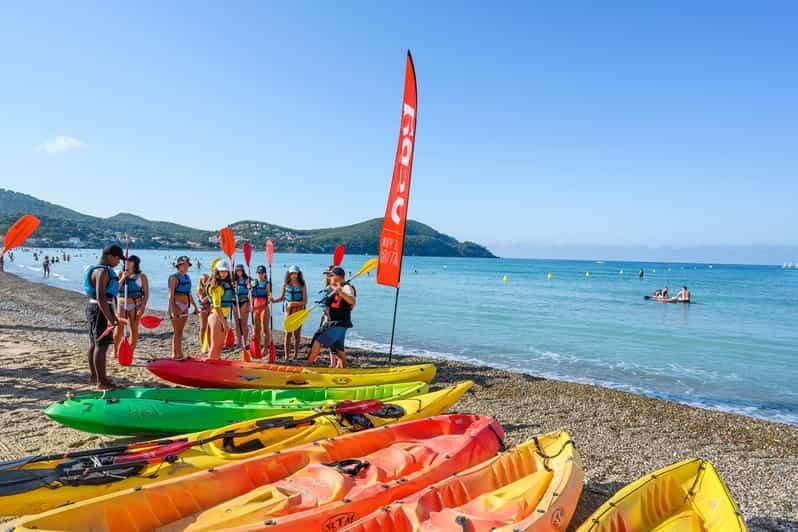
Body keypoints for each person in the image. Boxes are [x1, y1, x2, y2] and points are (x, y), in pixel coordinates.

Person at [84, 244, 124, 389]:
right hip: (99, 309)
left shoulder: (97, 269)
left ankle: (95, 378)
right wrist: (111, 318)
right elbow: (102, 297)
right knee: (101, 345)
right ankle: (102, 381)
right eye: (118, 258)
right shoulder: (102, 271)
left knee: (95, 343)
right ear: (110, 256)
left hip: (95, 308)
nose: (118, 262)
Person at [308, 267, 355, 368]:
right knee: (338, 349)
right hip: (335, 323)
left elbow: (352, 301)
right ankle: (345, 370)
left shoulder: (347, 287)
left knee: (318, 340)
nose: (329, 277)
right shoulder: (331, 288)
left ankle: (309, 364)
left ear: (338, 277)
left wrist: (341, 292)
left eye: (331, 275)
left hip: (338, 323)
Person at [114, 255, 148, 355]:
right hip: (122, 304)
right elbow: (115, 289)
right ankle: (115, 350)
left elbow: (146, 294)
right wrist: (124, 277)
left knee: (134, 328)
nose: (126, 263)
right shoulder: (120, 274)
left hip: (136, 304)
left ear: (135, 263)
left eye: (129, 261)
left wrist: (142, 308)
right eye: (125, 262)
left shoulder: (142, 277)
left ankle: (130, 352)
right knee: (119, 328)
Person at [272, 265, 307, 360]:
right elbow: (282, 298)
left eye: (295, 273)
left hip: (299, 310)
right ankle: (287, 355)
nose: (293, 275)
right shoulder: (285, 284)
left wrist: (293, 303)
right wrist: (273, 300)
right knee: (287, 333)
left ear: (298, 274)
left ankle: (295, 354)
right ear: (289, 274)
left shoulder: (302, 285)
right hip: (288, 311)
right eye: (292, 273)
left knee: (297, 333)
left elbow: (304, 301)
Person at [167, 256, 199, 360]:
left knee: (180, 331)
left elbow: (189, 293)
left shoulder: (187, 277)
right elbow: (170, 295)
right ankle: (175, 354)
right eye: (183, 265)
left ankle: (178, 353)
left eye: (187, 265)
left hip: (185, 306)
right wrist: (173, 308)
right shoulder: (174, 278)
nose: (185, 267)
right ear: (178, 265)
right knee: (177, 331)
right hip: (176, 305)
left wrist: (195, 306)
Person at [207, 261, 234, 359]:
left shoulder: (225, 284)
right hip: (217, 317)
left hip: (221, 318)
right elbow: (217, 306)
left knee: (219, 346)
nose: (224, 274)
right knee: (215, 346)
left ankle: (216, 365)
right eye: (221, 271)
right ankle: (209, 368)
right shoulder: (216, 286)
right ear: (217, 272)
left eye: (226, 272)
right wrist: (224, 323)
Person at [251, 265, 271, 351]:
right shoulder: (253, 283)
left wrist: (258, 307)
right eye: (259, 273)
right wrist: (251, 305)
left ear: (265, 273)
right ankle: (258, 347)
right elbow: (250, 295)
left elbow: (268, 300)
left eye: (262, 273)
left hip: (264, 307)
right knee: (256, 329)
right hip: (255, 307)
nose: (260, 274)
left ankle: (266, 348)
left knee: (265, 329)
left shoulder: (267, 284)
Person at [233, 264, 252, 349]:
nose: (239, 272)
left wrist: (249, 304)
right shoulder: (233, 280)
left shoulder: (247, 280)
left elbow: (250, 293)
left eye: (240, 270)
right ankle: (238, 342)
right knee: (237, 323)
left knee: (243, 323)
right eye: (237, 270)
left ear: (243, 271)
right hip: (235, 302)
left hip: (244, 301)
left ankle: (245, 342)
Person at [197, 273, 211, 353]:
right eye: (204, 280)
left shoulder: (209, 288)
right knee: (203, 328)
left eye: (207, 280)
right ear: (201, 281)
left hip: (210, 309)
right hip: (203, 310)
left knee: (209, 328)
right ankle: (202, 344)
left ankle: (209, 345)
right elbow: (203, 300)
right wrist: (210, 295)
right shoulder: (199, 289)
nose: (205, 281)